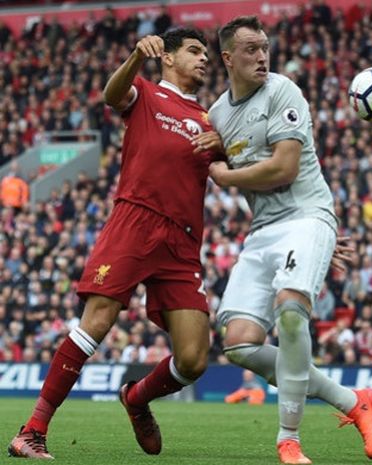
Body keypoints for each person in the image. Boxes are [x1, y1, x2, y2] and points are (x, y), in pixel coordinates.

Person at [8, 28, 225, 459]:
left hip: (182, 242)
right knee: (98, 321)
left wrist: (227, 146)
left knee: (195, 358)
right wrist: (133, 59)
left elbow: (236, 167)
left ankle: (137, 398)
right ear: (167, 58)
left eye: (206, 54)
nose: (204, 59)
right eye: (194, 51)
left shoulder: (210, 119)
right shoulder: (144, 91)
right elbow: (113, 95)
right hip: (135, 221)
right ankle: (32, 431)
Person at [207, 16, 372, 465]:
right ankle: (352, 400)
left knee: (289, 310)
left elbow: (284, 168)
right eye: (250, 49)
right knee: (239, 342)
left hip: (306, 215)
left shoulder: (283, 91)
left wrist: (225, 177)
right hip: (264, 230)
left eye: (264, 47)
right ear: (227, 58)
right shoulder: (218, 115)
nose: (261, 56)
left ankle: (289, 438)